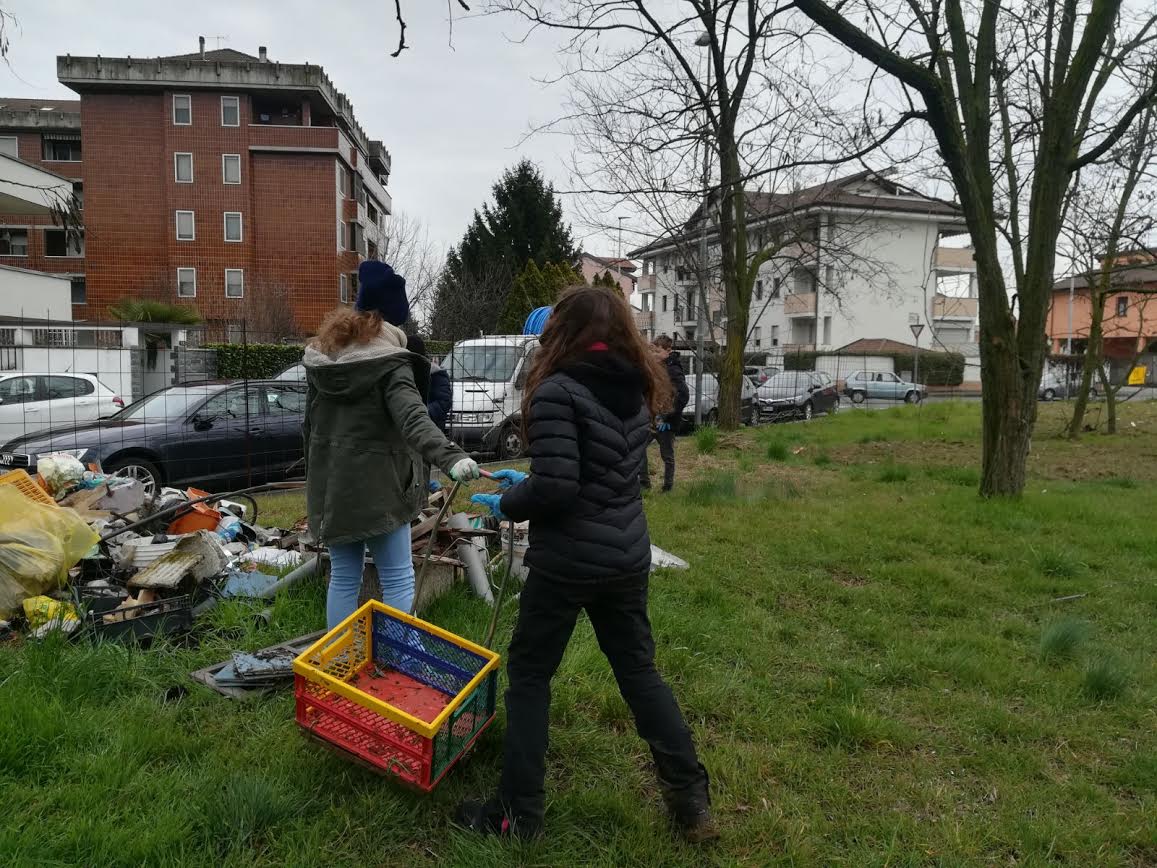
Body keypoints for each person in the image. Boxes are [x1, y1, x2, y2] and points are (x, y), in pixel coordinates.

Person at [456, 285, 716, 842]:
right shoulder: (637, 386)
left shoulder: (556, 390)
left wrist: (510, 501)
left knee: (528, 676)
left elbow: (560, 489)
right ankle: (690, 799)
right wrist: (527, 479)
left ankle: (516, 816)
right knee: (639, 673)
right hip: (625, 553)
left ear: (563, 332)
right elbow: (592, 473)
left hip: (568, 558)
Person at [303, 260, 480, 628]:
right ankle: (399, 659)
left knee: (344, 579)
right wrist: (452, 459)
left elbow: (310, 432)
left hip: (335, 490)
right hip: (381, 491)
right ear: (389, 323)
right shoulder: (391, 366)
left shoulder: (326, 364)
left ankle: (340, 659)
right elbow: (415, 420)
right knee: (398, 579)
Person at [640, 335, 688, 493]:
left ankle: (667, 487)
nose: (654, 354)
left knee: (666, 454)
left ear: (668, 351)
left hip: (666, 421)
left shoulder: (673, 369)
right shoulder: (656, 367)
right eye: (652, 351)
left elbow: (683, 394)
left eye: (657, 351)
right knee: (639, 448)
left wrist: (667, 414)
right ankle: (644, 483)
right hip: (653, 418)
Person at [406, 334, 452, 434]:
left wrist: (422, 413)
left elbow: (444, 402)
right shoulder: (406, 372)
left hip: (431, 428)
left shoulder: (435, 373)